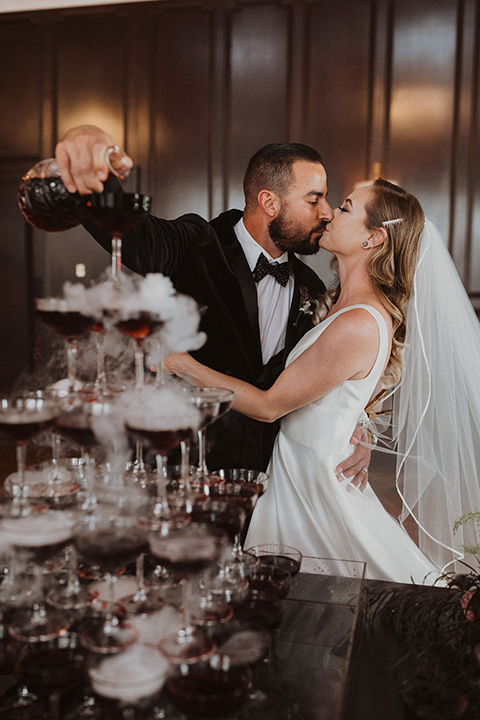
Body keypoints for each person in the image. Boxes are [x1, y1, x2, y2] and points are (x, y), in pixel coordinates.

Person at [165, 178, 448, 584]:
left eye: (347, 207)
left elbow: (269, 405)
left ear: (373, 239)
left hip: (314, 484)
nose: (331, 212)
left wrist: (181, 364)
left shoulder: (358, 323)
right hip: (294, 469)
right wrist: (361, 423)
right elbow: (342, 388)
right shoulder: (332, 299)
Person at [55, 125, 371, 478]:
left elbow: (323, 375)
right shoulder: (195, 244)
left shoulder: (312, 287)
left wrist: (357, 429)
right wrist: (87, 152)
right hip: (181, 467)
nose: (326, 212)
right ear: (269, 202)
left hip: (270, 475)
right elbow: (136, 237)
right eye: (314, 199)